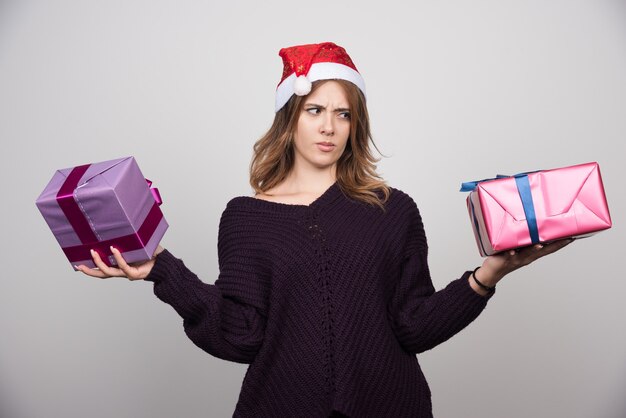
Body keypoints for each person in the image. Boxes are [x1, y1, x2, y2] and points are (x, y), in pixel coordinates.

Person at [77, 42, 573, 418]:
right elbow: (242, 336)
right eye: (315, 110)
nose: (329, 127)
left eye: (343, 114)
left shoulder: (392, 209)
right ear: (289, 118)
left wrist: (490, 273)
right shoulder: (244, 216)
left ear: (355, 125)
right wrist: (164, 272)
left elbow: (414, 325)